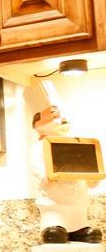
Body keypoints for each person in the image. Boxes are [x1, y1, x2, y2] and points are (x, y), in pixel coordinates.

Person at [30, 104, 102, 244]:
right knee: (54, 219)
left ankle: (79, 228)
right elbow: (37, 166)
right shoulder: (39, 147)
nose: (63, 119)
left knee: (78, 211)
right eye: (55, 116)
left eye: (63, 116)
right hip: (54, 197)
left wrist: (92, 178)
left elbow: (87, 165)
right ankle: (53, 225)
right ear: (39, 125)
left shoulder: (76, 144)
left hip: (78, 196)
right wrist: (47, 178)